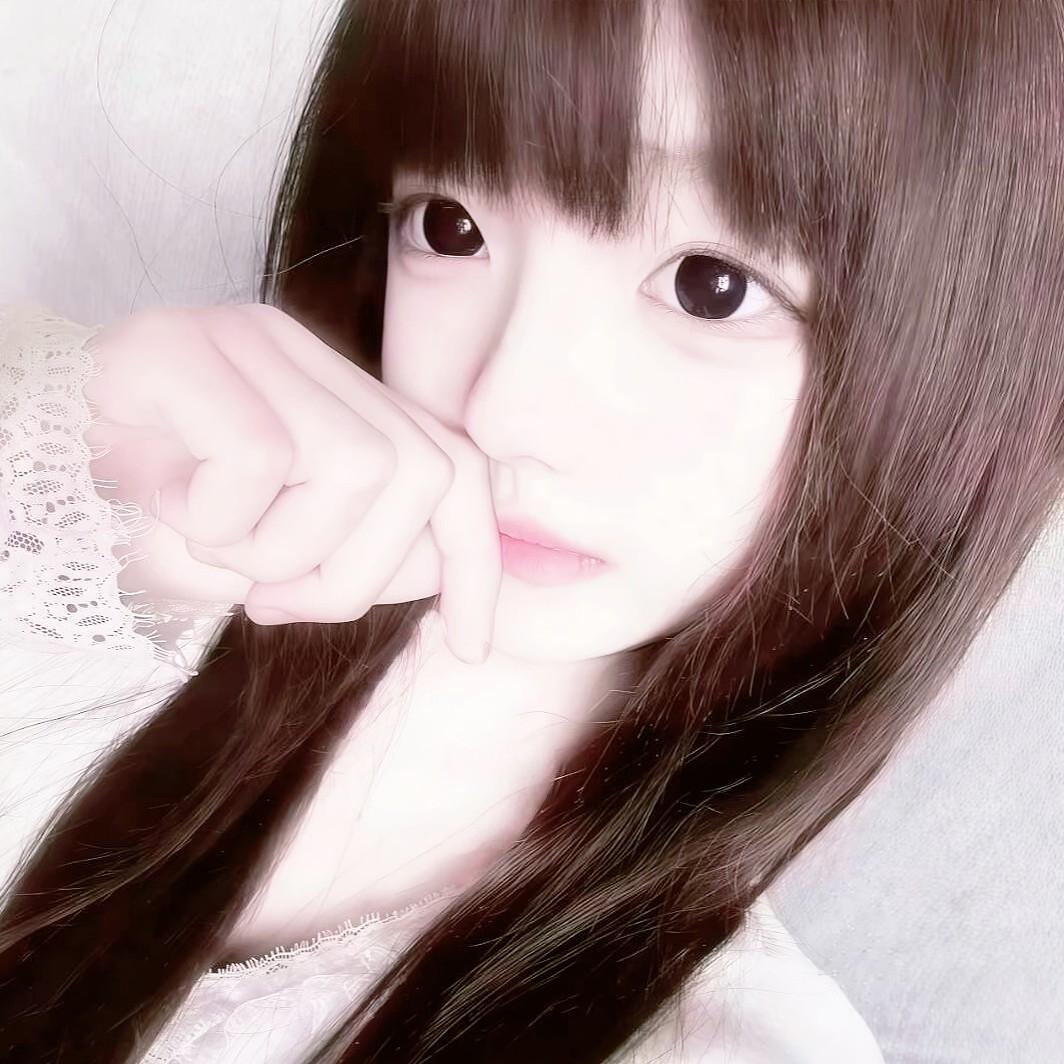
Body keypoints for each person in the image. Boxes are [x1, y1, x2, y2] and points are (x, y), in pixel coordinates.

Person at [1, 0, 1061, 1060]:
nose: (505, 406)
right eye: (448, 225)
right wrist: (55, 450)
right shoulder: (87, 537)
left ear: (954, 367)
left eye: (711, 287)